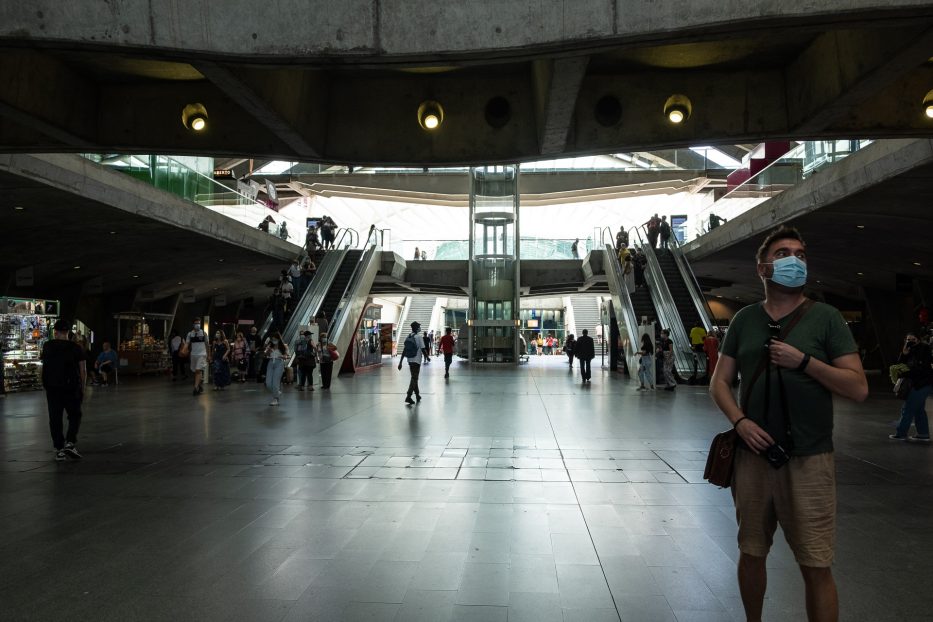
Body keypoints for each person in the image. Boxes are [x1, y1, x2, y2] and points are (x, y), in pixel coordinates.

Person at [709, 226, 867, 622]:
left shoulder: (827, 318)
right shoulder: (745, 320)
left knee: (816, 562)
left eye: (800, 253)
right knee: (751, 552)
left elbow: (858, 387)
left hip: (810, 459)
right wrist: (739, 420)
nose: (794, 260)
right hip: (753, 458)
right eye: (783, 253)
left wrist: (804, 362)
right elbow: (720, 382)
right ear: (763, 269)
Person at [41, 319, 87, 461]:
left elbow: (44, 367)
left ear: (55, 332)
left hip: (53, 388)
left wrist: (45, 383)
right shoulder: (76, 348)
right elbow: (83, 370)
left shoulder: (47, 346)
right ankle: (70, 442)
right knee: (75, 415)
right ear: (68, 332)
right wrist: (82, 388)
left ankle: (59, 449)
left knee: (55, 418)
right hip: (71, 387)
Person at [890, 332, 932, 441]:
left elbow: (919, 369)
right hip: (919, 384)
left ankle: (901, 433)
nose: (910, 342)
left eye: (913, 339)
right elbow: (900, 365)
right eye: (908, 340)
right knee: (919, 410)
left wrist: (905, 373)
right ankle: (923, 434)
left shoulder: (923, 349)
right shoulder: (910, 350)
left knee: (907, 408)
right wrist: (904, 353)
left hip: (922, 384)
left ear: (918, 339)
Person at [397, 321, 429, 404]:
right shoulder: (418, 337)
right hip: (416, 360)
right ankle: (408, 396)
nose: (419, 328)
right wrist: (427, 357)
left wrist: (400, 362)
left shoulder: (409, 336)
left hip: (410, 360)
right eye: (418, 326)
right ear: (416, 328)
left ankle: (417, 395)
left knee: (414, 378)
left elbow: (404, 350)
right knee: (414, 378)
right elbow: (423, 349)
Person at [264, 331, 288, 406]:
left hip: (279, 363)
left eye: (275, 339)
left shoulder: (283, 346)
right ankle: (277, 392)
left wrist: (279, 355)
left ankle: (275, 399)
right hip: (270, 363)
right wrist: (268, 350)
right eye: (272, 339)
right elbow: (265, 354)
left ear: (278, 339)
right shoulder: (270, 346)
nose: (274, 340)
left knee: (275, 382)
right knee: (268, 383)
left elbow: (286, 357)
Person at [186, 318, 209, 395]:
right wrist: (183, 350)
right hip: (193, 355)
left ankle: (195, 388)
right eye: (196, 323)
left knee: (198, 370)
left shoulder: (204, 333)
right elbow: (187, 344)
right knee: (196, 371)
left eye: (199, 323)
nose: (197, 325)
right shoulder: (190, 334)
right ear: (193, 325)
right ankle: (199, 385)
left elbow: (207, 345)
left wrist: (209, 355)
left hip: (202, 354)